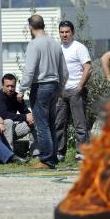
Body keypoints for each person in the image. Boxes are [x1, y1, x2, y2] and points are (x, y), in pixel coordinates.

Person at [17, 14, 68, 169]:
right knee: (51, 123)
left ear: (31, 27)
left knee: (42, 125)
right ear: (43, 25)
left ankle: (46, 159)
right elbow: (64, 70)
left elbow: (30, 70)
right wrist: (61, 87)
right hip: (54, 86)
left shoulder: (34, 44)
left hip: (40, 87)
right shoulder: (55, 43)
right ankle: (52, 158)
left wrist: (21, 89)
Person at [55, 20, 92, 162]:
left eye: (67, 32)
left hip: (76, 91)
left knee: (80, 124)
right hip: (61, 92)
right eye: (62, 32)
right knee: (59, 124)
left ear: (72, 32)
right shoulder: (58, 49)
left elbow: (88, 68)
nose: (64, 35)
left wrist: (80, 87)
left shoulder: (79, 47)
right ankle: (59, 153)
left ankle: (81, 153)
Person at [0, 73, 38, 156]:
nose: (10, 88)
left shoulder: (16, 97)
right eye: (7, 86)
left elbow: (25, 112)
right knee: (8, 121)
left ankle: (35, 153)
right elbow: (5, 115)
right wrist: (25, 116)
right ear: (2, 86)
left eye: (12, 86)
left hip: (10, 130)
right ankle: (9, 155)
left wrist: (30, 117)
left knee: (35, 121)